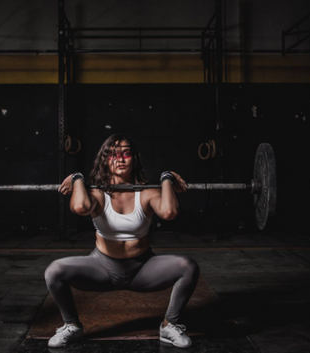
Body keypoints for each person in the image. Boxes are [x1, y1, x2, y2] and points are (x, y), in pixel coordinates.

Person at [44, 134, 200, 349]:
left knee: (188, 266)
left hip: (143, 269)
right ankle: (72, 325)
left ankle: (169, 325)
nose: (120, 159)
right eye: (113, 154)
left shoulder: (146, 193)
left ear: (134, 158)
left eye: (126, 153)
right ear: (105, 160)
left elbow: (170, 212)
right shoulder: (98, 194)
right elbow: (80, 207)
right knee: (54, 271)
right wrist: (78, 178)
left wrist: (166, 178)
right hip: (101, 269)